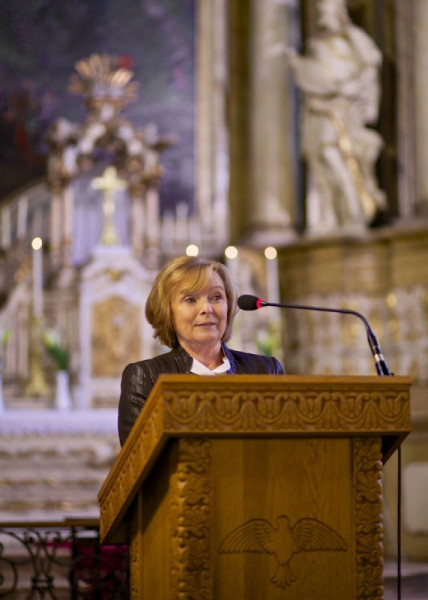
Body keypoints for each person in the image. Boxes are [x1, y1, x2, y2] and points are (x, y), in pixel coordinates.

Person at [118, 255, 284, 445]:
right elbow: (139, 456)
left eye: (216, 297)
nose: (207, 308)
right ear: (168, 311)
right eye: (190, 299)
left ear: (229, 306)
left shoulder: (266, 370)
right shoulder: (146, 377)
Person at [284, 0, 387, 232]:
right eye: (321, 12)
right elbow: (313, 79)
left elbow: (370, 65)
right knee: (322, 161)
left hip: (345, 111)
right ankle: (330, 217)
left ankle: (354, 211)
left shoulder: (354, 39)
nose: (324, 17)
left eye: (328, 12)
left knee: (338, 157)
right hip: (320, 112)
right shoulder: (315, 45)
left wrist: (354, 87)